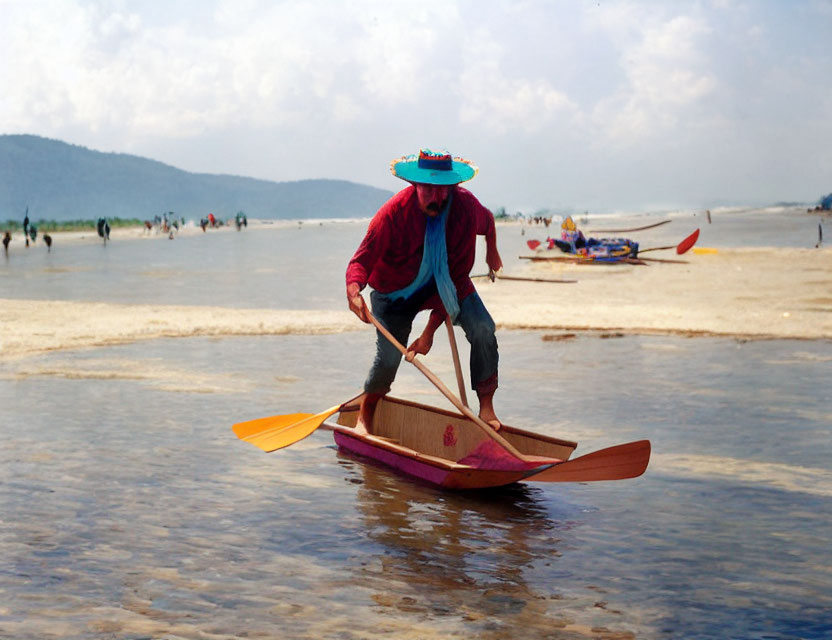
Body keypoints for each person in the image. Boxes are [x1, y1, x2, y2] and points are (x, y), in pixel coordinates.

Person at [346, 148, 503, 435]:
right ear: (415, 185)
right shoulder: (393, 214)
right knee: (389, 359)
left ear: (453, 188)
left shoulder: (465, 208)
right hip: (395, 292)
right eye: (428, 189)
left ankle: (486, 408)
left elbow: (483, 230)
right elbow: (361, 261)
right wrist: (353, 292)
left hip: (445, 283)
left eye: (444, 190)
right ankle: (365, 413)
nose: (437, 198)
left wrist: (491, 252)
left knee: (483, 329)